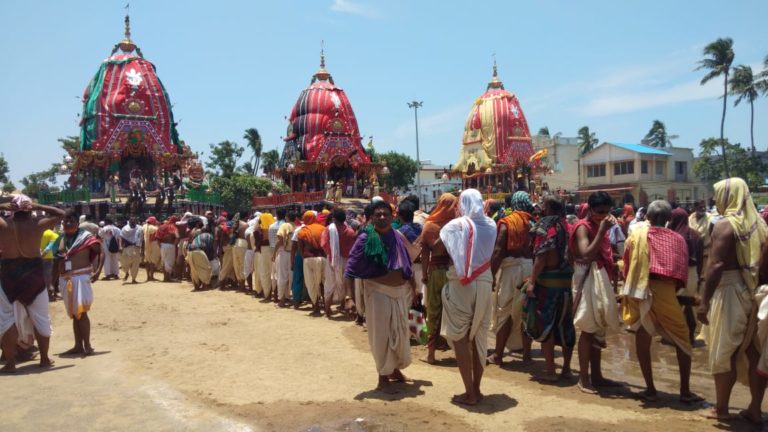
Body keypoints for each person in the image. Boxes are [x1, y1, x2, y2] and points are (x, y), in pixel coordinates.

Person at [697, 178, 768, 422]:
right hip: (755, 292)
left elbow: (715, 265)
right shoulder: (760, 225)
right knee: (753, 351)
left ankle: (722, 409)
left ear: (728, 197)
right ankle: (755, 409)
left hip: (728, 290)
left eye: (718, 196)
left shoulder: (725, 225)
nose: (716, 201)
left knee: (723, 352)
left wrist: (704, 301)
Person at [622, 200, 703, 404]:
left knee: (642, 333)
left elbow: (627, 266)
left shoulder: (635, 237)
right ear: (669, 219)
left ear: (647, 218)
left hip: (640, 291)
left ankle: (650, 389)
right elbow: (681, 273)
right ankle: (685, 391)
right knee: (683, 339)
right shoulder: (678, 239)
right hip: (667, 290)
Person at [344, 200, 415, 394]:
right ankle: (382, 378)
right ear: (371, 218)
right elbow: (349, 269)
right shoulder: (366, 238)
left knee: (400, 334)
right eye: (378, 215)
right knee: (381, 335)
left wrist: (413, 286)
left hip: (400, 292)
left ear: (392, 216)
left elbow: (406, 261)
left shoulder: (397, 235)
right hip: (378, 292)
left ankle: (394, 371)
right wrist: (349, 298)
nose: (382, 217)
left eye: (385, 214)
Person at [440, 189, 496, 406]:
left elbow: (447, 249)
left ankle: (469, 393)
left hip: (462, 283)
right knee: (480, 337)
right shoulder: (491, 225)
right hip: (485, 281)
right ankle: (477, 389)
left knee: (460, 338)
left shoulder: (455, 226)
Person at [0, 195, 64, 372]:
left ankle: (11, 363)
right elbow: (60, 214)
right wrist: (36, 206)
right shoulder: (38, 224)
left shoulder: (3, 224)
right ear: (28, 210)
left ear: (12, 209)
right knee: (40, 318)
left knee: (6, 319)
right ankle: (44, 359)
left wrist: (2, 205)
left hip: (8, 274)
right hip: (33, 275)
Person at [570, 191, 622, 394]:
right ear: (590, 210)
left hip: (599, 276)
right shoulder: (583, 227)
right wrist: (601, 231)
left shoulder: (602, 226)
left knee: (598, 328)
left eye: (607, 212)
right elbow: (585, 254)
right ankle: (584, 378)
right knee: (588, 328)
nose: (604, 216)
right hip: (586, 278)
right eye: (600, 212)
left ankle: (597, 376)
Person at [525, 196, 575, 381]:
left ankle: (551, 371)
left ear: (546, 208)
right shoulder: (569, 226)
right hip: (566, 281)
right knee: (566, 325)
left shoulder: (544, 227)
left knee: (546, 324)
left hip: (547, 281)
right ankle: (567, 369)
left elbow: (541, 258)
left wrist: (531, 281)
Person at [488, 191, 534, 366]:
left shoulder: (506, 222)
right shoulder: (532, 222)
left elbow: (499, 251)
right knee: (525, 312)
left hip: (511, 270)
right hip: (529, 268)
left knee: (504, 311)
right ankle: (527, 355)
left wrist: (491, 275)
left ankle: (498, 355)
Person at [54, 209, 103, 358]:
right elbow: (57, 262)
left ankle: (87, 345)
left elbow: (101, 252)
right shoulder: (60, 239)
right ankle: (77, 345)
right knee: (75, 315)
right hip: (65, 279)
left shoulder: (86, 237)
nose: (68, 223)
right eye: (65, 221)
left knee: (82, 313)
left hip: (81, 279)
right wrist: (54, 281)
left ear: (77, 223)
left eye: (71, 221)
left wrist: (98, 272)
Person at [420, 193, 458, 364]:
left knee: (434, 312)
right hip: (453, 272)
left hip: (435, 271)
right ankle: (461, 352)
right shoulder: (457, 225)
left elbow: (425, 254)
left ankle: (431, 355)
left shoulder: (429, 226)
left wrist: (424, 275)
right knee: (456, 311)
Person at [668, 207, 704, 344]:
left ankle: (677, 337)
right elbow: (700, 260)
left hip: (677, 275)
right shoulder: (697, 235)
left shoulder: (673, 235)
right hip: (693, 273)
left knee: (675, 307)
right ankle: (690, 336)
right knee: (689, 305)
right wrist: (698, 277)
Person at [320, 208, 357, 318]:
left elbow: (323, 244)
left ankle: (327, 310)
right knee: (345, 285)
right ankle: (343, 307)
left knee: (330, 284)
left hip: (332, 260)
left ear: (334, 219)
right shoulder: (350, 231)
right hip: (346, 260)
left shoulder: (328, 229)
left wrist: (331, 254)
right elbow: (353, 248)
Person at [298, 211, 327, 315]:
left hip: (308, 259)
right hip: (323, 258)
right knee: (323, 283)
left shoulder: (302, 231)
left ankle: (316, 308)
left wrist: (303, 258)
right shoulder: (323, 229)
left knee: (311, 284)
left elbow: (300, 248)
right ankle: (327, 306)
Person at [187, 218, 215, 291]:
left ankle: (196, 287)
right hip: (198, 251)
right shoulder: (210, 236)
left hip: (190, 251)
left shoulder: (198, 236)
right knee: (206, 269)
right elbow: (209, 249)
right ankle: (205, 286)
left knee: (194, 270)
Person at [274, 210, 295, 307]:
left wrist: (274, 253)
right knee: (290, 277)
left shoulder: (284, 226)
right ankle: (288, 297)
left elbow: (280, 240)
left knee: (282, 276)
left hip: (284, 253)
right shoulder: (296, 227)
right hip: (293, 254)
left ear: (287, 217)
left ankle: (281, 300)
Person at [257, 212, 277, 301]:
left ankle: (267, 295)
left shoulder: (258, 230)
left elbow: (257, 243)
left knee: (265, 273)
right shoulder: (273, 228)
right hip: (274, 250)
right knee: (274, 272)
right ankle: (276, 295)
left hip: (263, 251)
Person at [119, 217, 143, 284]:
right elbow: (121, 238)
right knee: (124, 263)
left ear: (136, 221)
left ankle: (133, 279)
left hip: (137, 248)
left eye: (134, 221)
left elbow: (142, 240)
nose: (133, 222)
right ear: (129, 221)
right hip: (127, 248)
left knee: (135, 265)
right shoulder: (124, 229)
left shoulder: (140, 228)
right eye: (131, 221)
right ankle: (126, 273)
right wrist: (121, 246)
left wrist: (143, 251)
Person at [156, 216, 179, 282]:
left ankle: (165, 278)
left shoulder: (161, 227)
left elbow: (157, 237)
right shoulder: (173, 227)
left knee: (164, 261)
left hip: (162, 245)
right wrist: (174, 245)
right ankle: (168, 278)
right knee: (170, 262)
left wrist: (160, 246)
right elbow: (177, 237)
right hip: (170, 245)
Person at [231, 213, 250, 291]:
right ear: (246, 217)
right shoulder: (246, 225)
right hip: (243, 244)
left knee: (236, 265)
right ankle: (242, 285)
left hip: (235, 245)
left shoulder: (235, 224)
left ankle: (240, 284)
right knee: (242, 265)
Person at [40, 227, 59, 301]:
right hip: (48, 257)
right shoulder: (52, 233)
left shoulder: (39, 232)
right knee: (48, 278)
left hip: (37, 257)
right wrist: (45, 252)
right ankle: (49, 295)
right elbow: (52, 244)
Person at [143, 216, 161, 281]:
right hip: (153, 244)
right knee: (152, 261)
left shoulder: (144, 227)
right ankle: (152, 276)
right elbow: (153, 237)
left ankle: (148, 276)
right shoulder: (155, 228)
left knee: (147, 261)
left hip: (146, 245)